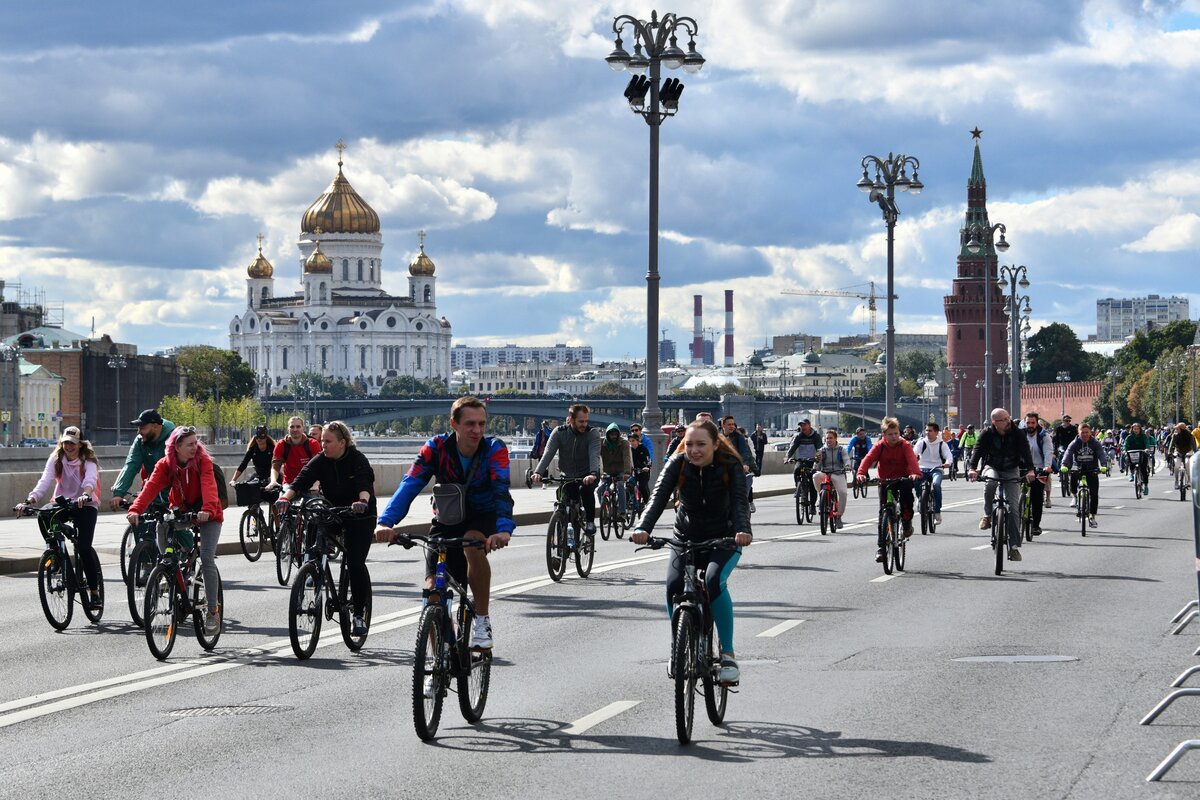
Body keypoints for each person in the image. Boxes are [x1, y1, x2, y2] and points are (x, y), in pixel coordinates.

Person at [375, 397, 512, 651]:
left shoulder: (494, 449)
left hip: (482, 516)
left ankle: (482, 620)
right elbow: (411, 482)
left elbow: (501, 490)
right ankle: (439, 658)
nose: (477, 430)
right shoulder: (436, 447)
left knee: (472, 544)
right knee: (433, 592)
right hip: (447, 519)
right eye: (470, 424)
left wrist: (503, 529)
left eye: (482, 424)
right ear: (454, 424)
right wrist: (386, 522)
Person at [631, 419, 752, 685]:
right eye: (689, 444)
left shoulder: (729, 465)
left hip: (724, 537)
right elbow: (658, 497)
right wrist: (643, 527)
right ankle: (678, 647)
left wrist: (742, 531)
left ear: (715, 444)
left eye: (701, 444)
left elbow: (740, 503)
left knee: (713, 580)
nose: (694, 450)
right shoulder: (678, 463)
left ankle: (728, 654)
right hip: (686, 536)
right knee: (674, 587)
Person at [276, 422, 377, 636]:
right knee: (314, 522)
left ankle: (358, 614)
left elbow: (365, 485)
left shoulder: (357, 459)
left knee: (355, 562)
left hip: (360, 514)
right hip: (333, 511)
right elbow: (301, 480)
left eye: (328, 442)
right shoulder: (321, 460)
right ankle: (312, 565)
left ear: (342, 443)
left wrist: (362, 501)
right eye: (322, 441)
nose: (323, 445)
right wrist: (285, 498)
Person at [127, 426, 224, 634]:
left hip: (209, 514)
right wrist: (135, 509)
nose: (194, 447)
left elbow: (209, 485)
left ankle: (213, 612)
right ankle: (169, 568)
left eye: (196, 443)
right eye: (189, 444)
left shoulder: (202, 462)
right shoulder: (166, 464)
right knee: (162, 525)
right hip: (183, 511)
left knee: (207, 558)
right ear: (177, 447)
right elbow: (150, 488)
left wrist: (207, 510)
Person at [18, 426, 103, 610]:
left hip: (85, 504)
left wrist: (86, 494)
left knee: (84, 547)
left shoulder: (87, 460)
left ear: (80, 444)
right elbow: (45, 480)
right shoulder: (57, 458)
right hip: (64, 502)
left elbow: (90, 479)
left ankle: (94, 593)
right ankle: (55, 552)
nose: (68, 446)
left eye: (72, 443)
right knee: (43, 514)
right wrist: (30, 499)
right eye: (65, 442)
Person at [969, 408, 1036, 561]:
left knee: (1013, 508)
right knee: (990, 483)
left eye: (1008, 418)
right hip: (992, 466)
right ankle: (987, 515)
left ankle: (1013, 547)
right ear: (995, 422)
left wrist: (1031, 470)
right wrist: (972, 468)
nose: (1008, 421)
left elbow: (1025, 451)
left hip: (1012, 469)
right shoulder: (987, 433)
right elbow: (977, 450)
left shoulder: (1017, 432)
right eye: (1004, 420)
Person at [856, 418, 921, 563]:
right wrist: (861, 473)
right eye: (890, 434)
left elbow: (912, 461)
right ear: (884, 435)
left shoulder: (905, 445)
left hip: (902, 478)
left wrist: (915, 473)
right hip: (885, 480)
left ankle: (906, 523)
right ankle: (881, 548)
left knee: (906, 501)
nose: (894, 437)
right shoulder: (880, 446)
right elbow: (868, 459)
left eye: (896, 433)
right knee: (883, 512)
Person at [533, 404, 601, 535]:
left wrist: (592, 473)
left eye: (586, 421)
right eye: (581, 421)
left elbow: (594, 455)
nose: (584, 424)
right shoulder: (559, 432)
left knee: (585, 490)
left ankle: (590, 522)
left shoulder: (592, 433)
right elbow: (548, 453)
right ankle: (562, 528)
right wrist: (538, 472)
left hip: (588, 473)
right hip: (568, 474)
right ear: (571, 419)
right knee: (564, 499)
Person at [108, 409, 177, 511]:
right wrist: (119, 493)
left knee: (177, 524)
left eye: (142, 428)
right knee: (138, 521)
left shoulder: (174, 438)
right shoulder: (140, 440)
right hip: (152, 491)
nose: (139, 432)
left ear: (155, 426)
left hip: (174, 494)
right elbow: (131, 465)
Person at [1061, 423, 1108, 526]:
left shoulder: (1095, 443)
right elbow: (1068, 453)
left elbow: (1101, 454)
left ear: (1090, 432)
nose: (1085, 435)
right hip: (1078, 467)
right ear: (1079, 433)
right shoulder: (1075, 443)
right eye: (1082, 432)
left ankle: (1092, 516)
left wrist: (1104, 465)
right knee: (1072, 476)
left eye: (1087, 432)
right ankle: (1074, 496)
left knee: (1094, 493)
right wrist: (1064, 465)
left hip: (1092, 469)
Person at [913, 422, 952, 524]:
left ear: (936, 432)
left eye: (930, 430)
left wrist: (947, 463)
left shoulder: (942, 444)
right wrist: (912, 462)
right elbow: (914, 453)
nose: (927, 433)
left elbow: (948, 455)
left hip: (937, 468)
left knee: (936, 484)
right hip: (922, 468)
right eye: (926, 430)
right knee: (915, 479)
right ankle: (919, 497)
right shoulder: (922, 442)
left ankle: (937, 512)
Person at [267, 416, 320, 490]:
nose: (295, 429)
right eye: (292, 427)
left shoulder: (313, 444)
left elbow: (318, 466)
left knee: (316, 501)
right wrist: (273, 481)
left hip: (310, 484)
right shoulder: (281, 444)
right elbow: (276, 465)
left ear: (303, 429)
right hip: (289, 484)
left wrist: (316, 484)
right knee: (282, 501)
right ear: (288, 429)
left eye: (298, 427)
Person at [1022, 411, 1053, 535]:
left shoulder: (1043, 435)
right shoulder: (1020, 434)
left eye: (1033, 423)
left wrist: (1047, 466)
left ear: (1036, 423)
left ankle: (1035, 525)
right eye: (1028, 422)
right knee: (1015, 495)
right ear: (1025, 423)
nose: (1030, 425)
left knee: (1037, 497)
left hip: (1039, 468)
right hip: (1022, 468)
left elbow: (1048, 452)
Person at [720, 416, 759, 512]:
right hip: (721, 467)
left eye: (733, 424)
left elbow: (744, 452)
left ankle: (743, 504)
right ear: (723, 425)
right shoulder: (717, 437)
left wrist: (745, 464)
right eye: (729, 424)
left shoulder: (739, 437)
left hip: (735, 467)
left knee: (746, 480)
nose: (732, 426)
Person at [813, 429, 849, 527]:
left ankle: (838, 516)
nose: (829, 440)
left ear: (835, 439)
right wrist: (815, 464)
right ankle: (820, 496)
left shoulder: (842, 449)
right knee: (815, 476)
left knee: (843, 493)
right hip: (825, 474)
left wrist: (847, 466)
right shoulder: (821, 450)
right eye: (827, 438)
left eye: (831, 438)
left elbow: (846, 459)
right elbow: (816, 463)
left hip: (838, 474)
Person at [598, 423, 633, 517]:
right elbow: (595, 457)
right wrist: (595, 472)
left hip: (620, 471)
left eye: (615, 434)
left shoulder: (624, 443)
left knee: (621, 486)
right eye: (611, 434)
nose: (613, 436)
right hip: (608, 471)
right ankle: (604, 512)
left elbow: (626, 458)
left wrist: (626, 473)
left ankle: (622, 512)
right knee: (599, 490)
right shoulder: (602, 443)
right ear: (607, 434)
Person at [785, 419, 823, 502]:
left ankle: (812, 506)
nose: (803, 427)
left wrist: (817, 459)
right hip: (802, 460)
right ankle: (799, 488)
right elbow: (792, 448)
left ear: (809, 425)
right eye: (801, 425)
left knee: (812, 482)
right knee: (796, 470)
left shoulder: (816, 436)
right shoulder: (798, 436)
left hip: (813, 461)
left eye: (804, 425)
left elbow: (820, 450)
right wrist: (787, 457)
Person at [628, 430, 652, 505]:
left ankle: (647, 504)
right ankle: (630, 503)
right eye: (630, 441)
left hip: (643, 472)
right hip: (633, 472)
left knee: (642, 487)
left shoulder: (643, 449)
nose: (632, 443)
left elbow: (648, 460)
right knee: (628, 486)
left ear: (637, 441)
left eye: (633, 441)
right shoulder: (629, 450)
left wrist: (647, 467)